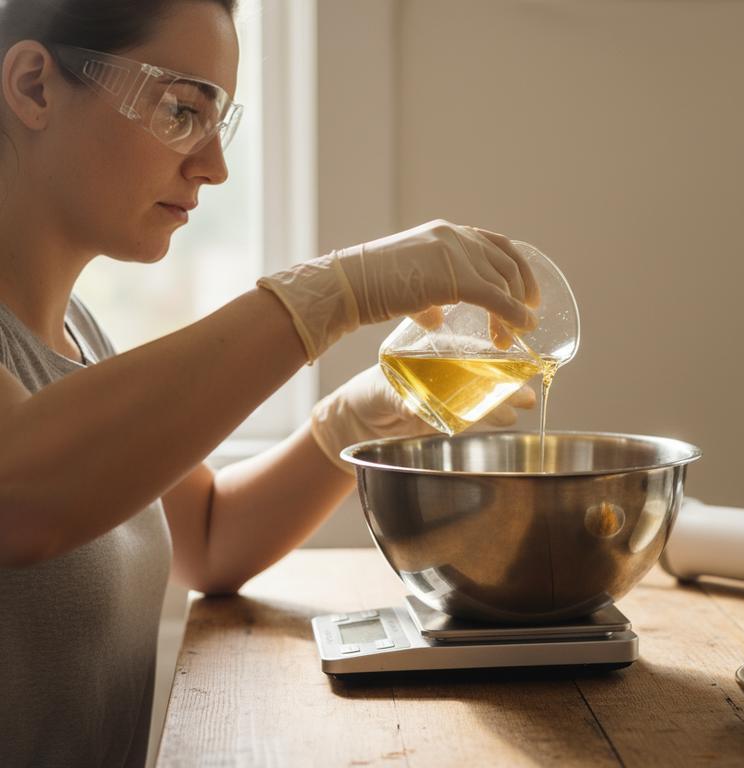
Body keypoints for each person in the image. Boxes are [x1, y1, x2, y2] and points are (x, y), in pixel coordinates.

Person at [0, 1, 540, 765]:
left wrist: (361, 417)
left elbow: (210, 540)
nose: (214, 165)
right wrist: (333, 292)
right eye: (181, 109)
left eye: (218, 120)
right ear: (33, 86)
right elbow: (20, 499)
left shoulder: (77, 334)